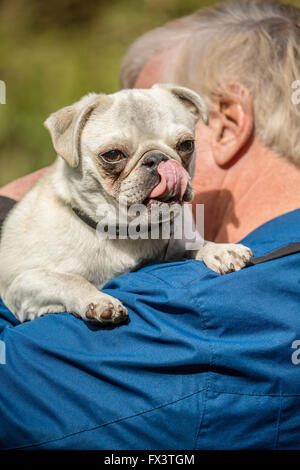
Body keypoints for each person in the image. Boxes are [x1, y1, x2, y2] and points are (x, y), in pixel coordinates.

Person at [0, 0, 300, 449]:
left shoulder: (180, 310)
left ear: (226, 125)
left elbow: (17, 386)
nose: (157, 167)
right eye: (115, 154)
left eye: (180, 144)